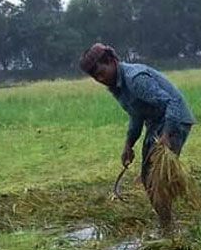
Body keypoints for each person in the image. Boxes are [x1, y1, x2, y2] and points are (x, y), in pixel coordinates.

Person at [79, 43, 194, 226]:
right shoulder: (116, 87)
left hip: (173, 119)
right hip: (156, 123)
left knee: (157, 177)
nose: (100, 79)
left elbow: (171, 103)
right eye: (95, 77)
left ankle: (167, 225)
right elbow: (136, 115)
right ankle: (166, 222)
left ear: (111, 61)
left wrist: (165, 135)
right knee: (148, 175)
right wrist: (128, 145)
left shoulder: (135, 79)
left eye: (101, 73)